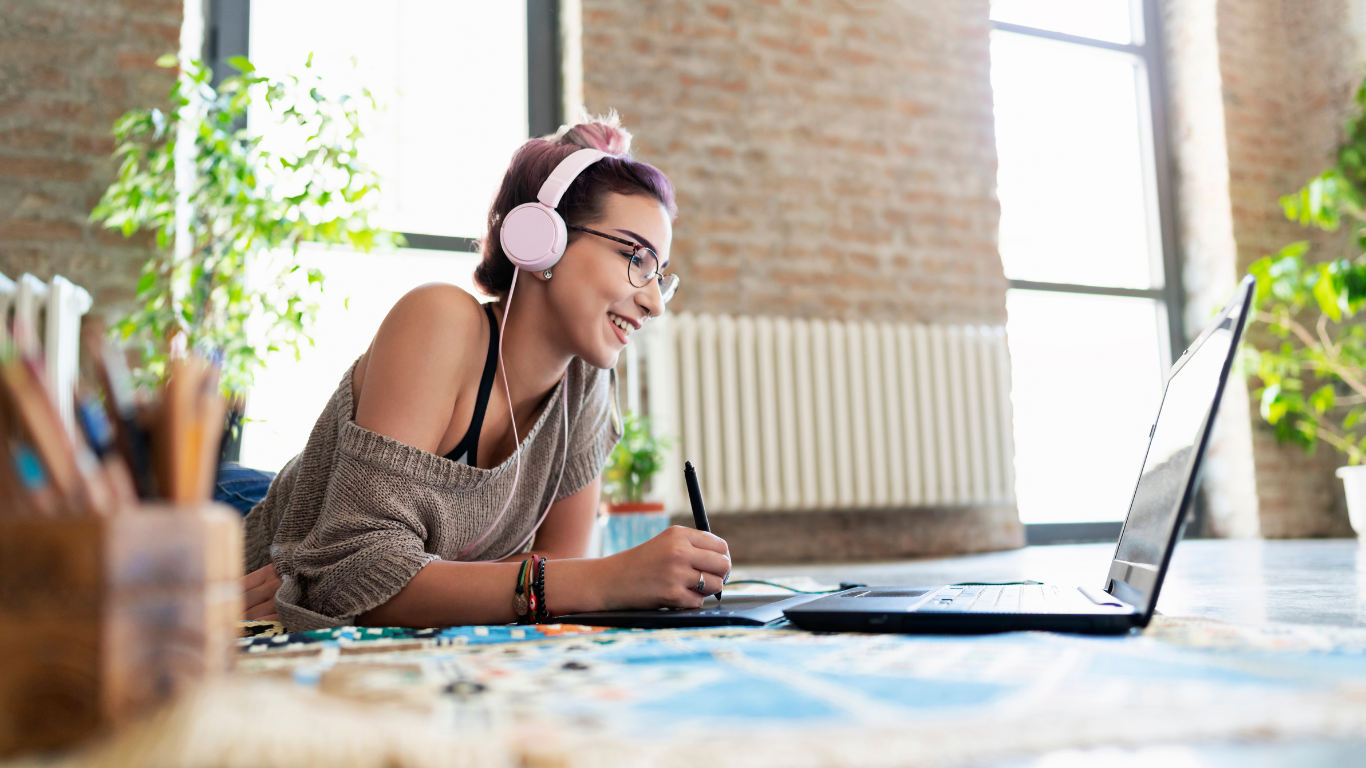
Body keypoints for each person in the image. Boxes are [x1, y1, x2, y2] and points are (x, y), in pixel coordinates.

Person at [233, 115, 730, 630]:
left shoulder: (588, 381)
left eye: (661, 275)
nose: (654, 302)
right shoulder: (441, 321)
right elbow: (351, 578)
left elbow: (553, 570)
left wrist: (406, 577)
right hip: (233, 532)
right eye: (635, 257)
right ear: (543, 240)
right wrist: (605, 579)